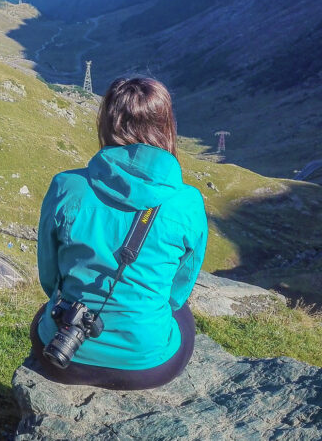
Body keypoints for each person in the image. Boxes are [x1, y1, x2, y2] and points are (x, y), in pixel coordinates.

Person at [29, 77, 207, 390]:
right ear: (166, 126)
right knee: (183, 317)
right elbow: (177, 294)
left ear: (107, 123)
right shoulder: (187, 202)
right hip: (147, 367)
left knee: (43, 317)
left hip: (63, 355)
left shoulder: (66, 187)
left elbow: (49, 277)